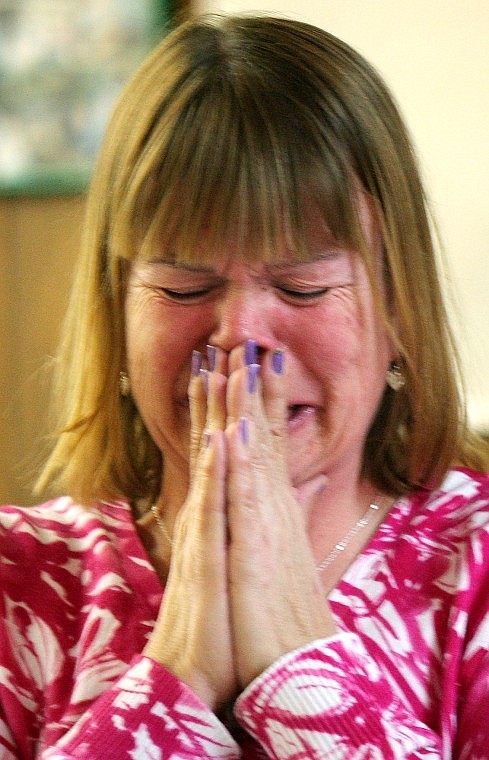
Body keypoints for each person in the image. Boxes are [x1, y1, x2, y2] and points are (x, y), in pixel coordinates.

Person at [1, 14, 489, 759]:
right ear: (117, 315)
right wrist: (175, 678)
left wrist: (297, 666)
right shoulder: (19, 579)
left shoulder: (474, 572)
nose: (238, 337)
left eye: (301, 287)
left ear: (398, 311)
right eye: (182, 285)